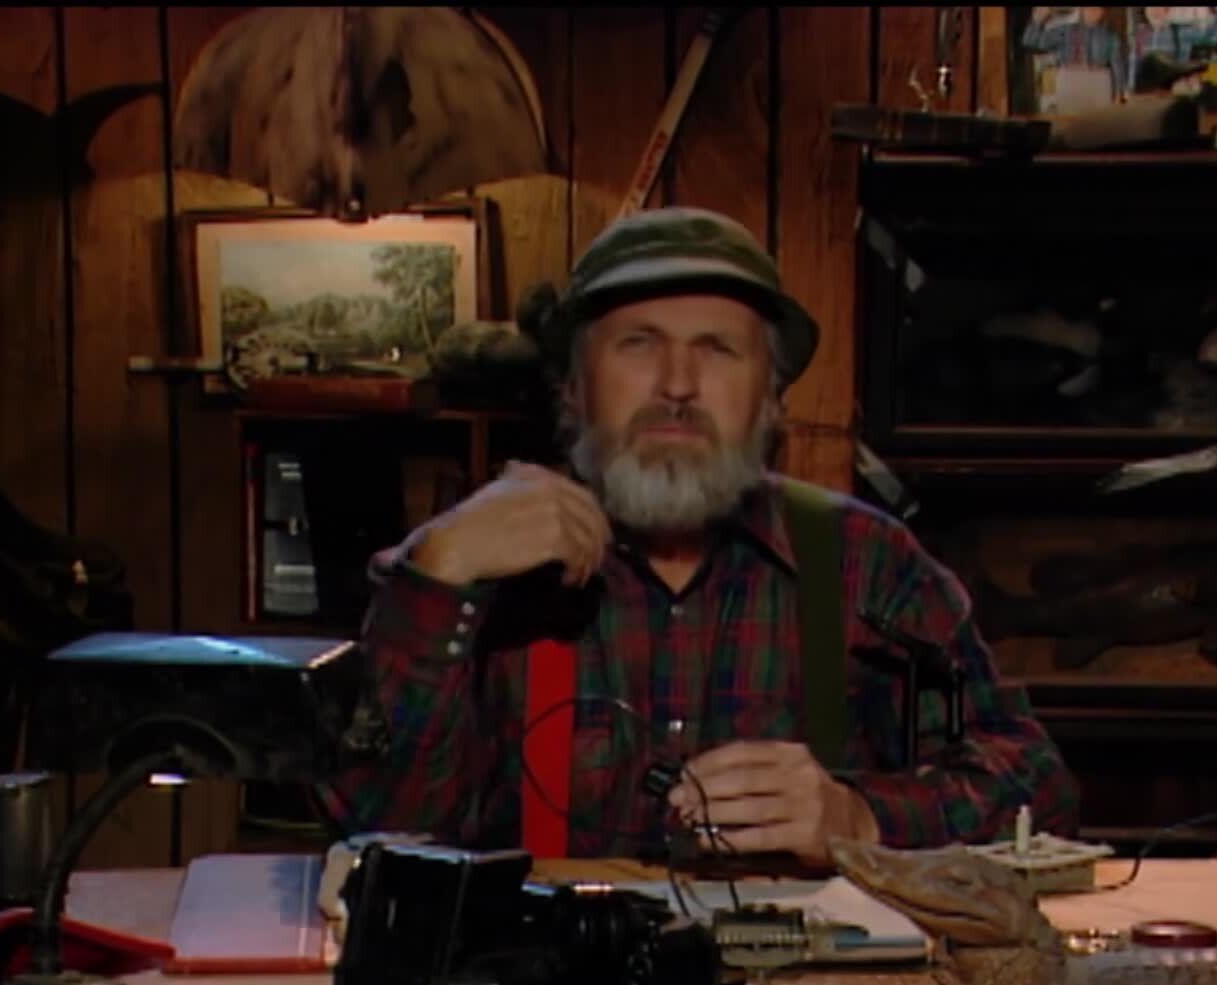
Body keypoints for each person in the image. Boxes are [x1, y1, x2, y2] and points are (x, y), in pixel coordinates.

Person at [320, 207, 1079, 868]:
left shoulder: (865, 561)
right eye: (638, 344)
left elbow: (1037, 790)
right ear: (574, 388)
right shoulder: (462, 566)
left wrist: (860, 818)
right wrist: (439, 575)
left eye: (718, 348)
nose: (678, 386)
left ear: (771, 400)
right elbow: (371, 834)